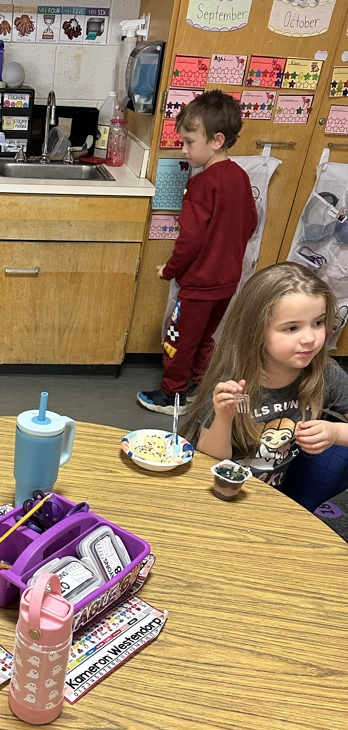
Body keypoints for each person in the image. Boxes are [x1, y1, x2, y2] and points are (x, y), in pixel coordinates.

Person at [181, 262, 348, 507]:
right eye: (292, 328)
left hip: (271, 499)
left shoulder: (325, 374)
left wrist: (335, 433)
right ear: (257, 330)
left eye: (318, 323)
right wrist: (223, 419)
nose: (310, 338)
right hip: (217, 493)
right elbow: (211, 459)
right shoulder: (232, 381)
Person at [138, 90, 258, 416]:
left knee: (178, 340)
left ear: (216, 140)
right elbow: (251, 222)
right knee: (205, 338)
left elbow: (189, 241)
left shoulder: (202, 184)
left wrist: (170, 270)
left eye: (190, 142)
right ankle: (200, 388)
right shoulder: (240, 177)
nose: (184, 149)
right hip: (227, 282)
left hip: (199, 285)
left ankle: (171, 396)